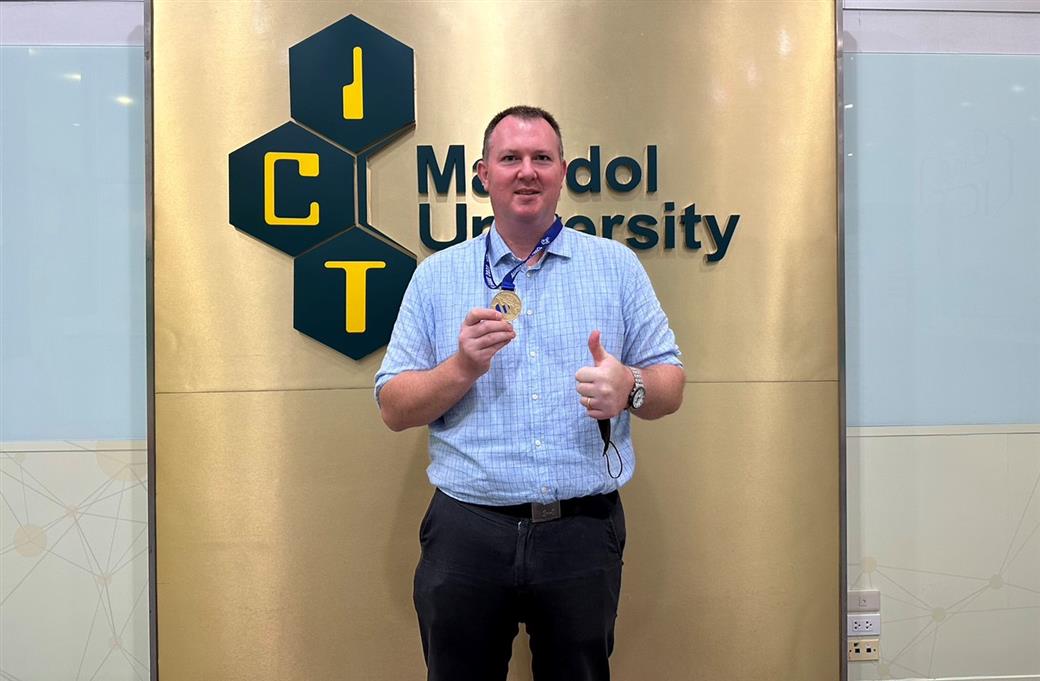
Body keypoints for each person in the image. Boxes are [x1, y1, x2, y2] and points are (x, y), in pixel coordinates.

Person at [374, 105, 684, 681]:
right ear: (483, 174)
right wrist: (461, 368)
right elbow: (393, 407)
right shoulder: (436, 276)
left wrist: (631, 386)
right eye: (510, 158)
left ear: (563, 172)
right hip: (466, 532)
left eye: (542, 158)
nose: (527, 171)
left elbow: (671, 384)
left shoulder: (616, 267)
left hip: (582, 532)